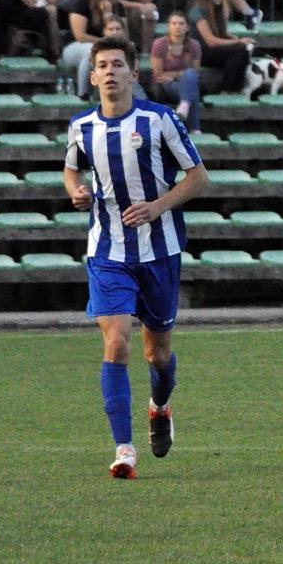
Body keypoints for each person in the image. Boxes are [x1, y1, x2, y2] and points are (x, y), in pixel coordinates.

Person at [63, 35, 209, 479]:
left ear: (133, 74)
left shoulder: (159, 119)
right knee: (116, 340)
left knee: (157, 355)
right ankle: (124, 449)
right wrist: (76, 191)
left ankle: (160, 406)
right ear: (93, 77)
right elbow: (71, 169)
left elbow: (198, 177)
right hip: (107, 250)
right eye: (102, 65)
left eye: (117, 64)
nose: (110, 71)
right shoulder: (81, 127)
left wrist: (157, 206)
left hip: (159, 250)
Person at [188, 0, 252, 93]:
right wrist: (237, 41)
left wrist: (237, 39)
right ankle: (226, 90)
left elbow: (221, 33)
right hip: (199, 50)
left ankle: (236, 89)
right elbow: (211, 41)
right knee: (238, 52)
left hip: (211, 49)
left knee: (244, 51)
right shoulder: (198, 10)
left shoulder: (217, 8)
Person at [63, 0, 125, 98]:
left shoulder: (118, 6)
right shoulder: (82, 3)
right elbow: (80, 36)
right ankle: (82, 93)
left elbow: (123, 34)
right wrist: (105, 43)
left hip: (106, 48)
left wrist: (108, 15)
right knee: (91, 51)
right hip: (76, 47)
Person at [150, 10, 203, 133]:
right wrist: (180, 75)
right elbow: (158, 75)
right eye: (174, 23)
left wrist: (181, 76)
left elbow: (196, 72)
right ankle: (195, 128)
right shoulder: (159, 44)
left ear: (187, 27)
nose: (177, 27)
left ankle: (184, 105)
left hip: (185, 83)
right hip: (165, 85)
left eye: (181, 23)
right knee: (191, 83)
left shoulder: (194, 45)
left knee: (190, 76)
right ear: (169, 27)